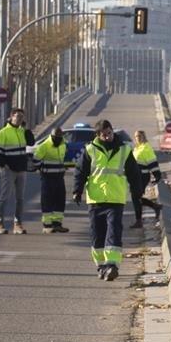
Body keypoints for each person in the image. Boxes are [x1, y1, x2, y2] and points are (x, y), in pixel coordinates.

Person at [72, 119, 143, 281]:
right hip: (96, 198)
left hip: (115, 198)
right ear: (98, 135)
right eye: (103, 135)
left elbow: (134, 172)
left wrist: (137, 191)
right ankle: (101, 265)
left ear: (113, 132)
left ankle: (112, 264)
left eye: (109, 133)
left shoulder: (124, 149)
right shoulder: (90, 150)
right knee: (97, 233)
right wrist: (77, 190)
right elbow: (80, 171)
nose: (107, 137)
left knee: (113, 231)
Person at [0, 108, 33, 234]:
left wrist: (27, 130)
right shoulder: (3, 133)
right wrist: (4, 165)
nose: (20, 119)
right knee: (5, 196)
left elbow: (31, 143)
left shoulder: (22, 131)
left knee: (20, 198)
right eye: (18, 116)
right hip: (9, 170)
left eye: (22, 116)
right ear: (11, 117)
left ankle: (18, 224)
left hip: (21, 170)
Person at [33, 127, 72, 233]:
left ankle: (57, 224)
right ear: (52, 136)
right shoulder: (44, 146)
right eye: (56, 137)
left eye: (60, 137)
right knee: (47, 201)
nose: (58, 139)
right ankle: (47, 226)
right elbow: (36, 161)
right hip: (47, 178)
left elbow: (62, 159)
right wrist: (43, 169)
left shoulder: (63, 145)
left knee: (60, 200)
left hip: (59, 177)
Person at [130, 130, 162, 227]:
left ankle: (139, 221)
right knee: (136, 197)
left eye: (140, 136)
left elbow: (152, 162)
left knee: (136, 198)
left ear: (144, 137)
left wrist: (157, 175)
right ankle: (155, 207)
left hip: (142, 177)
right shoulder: (137, 148)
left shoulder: (146, 148)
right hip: (136, 177)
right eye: (136, 136)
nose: (138, 138)